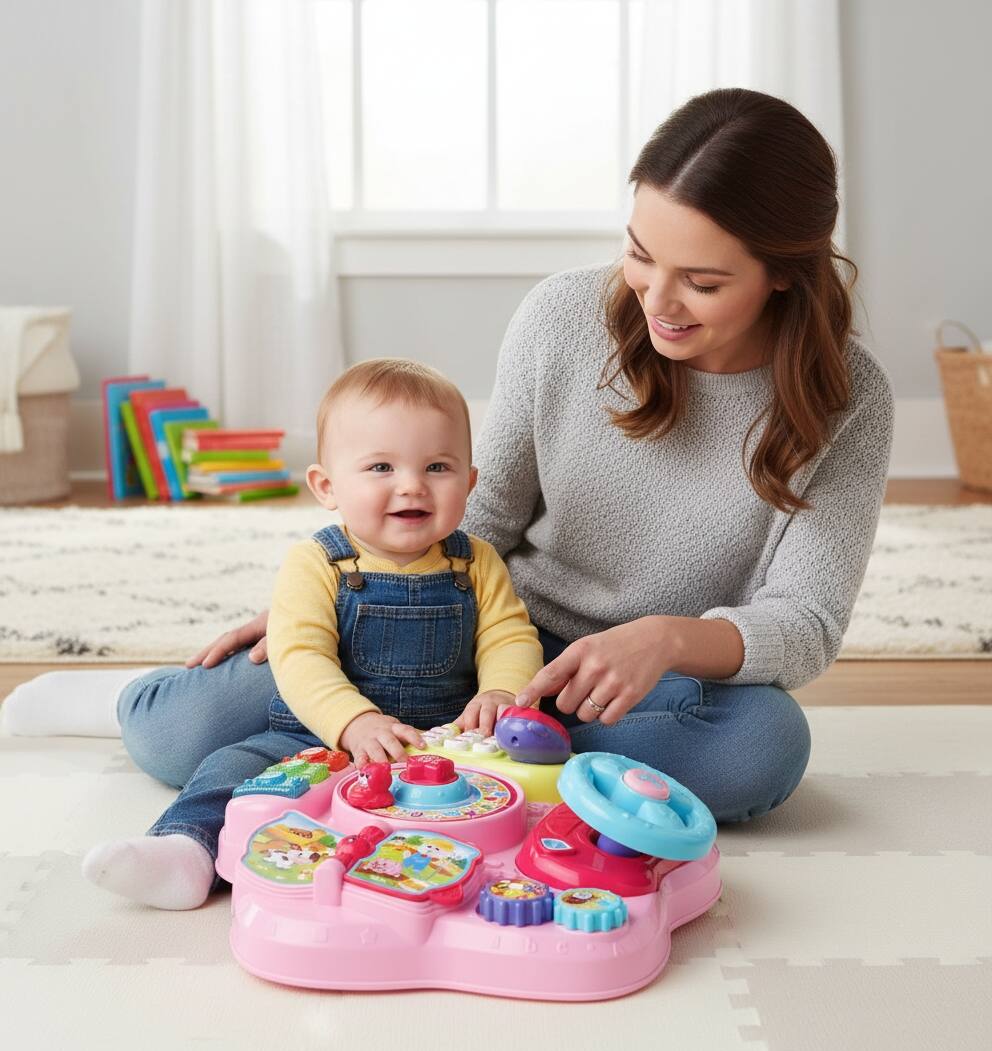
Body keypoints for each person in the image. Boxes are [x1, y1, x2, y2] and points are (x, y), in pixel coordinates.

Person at [4, 87, 893, 876]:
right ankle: (145, 699)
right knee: (176, 735)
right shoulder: (564, 317)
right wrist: (340, 601)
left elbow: (805, 623)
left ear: (785, 271)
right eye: (639, 254)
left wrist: (663, 640)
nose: (655, 299)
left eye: (700, 281)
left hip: (642, 684)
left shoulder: (850, 399)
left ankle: (472, 758)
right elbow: (483, 511)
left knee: (762, 748)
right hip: (479, 635)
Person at [76, 359, 544, 908]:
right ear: (326, 486)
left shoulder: (476, 562)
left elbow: (509, 636)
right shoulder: (318, 562)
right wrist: (352, 722)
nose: (412, 486)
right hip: (316, 737)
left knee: (523, 792)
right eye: (381, 467)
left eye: (437, 467)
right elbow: (299, 657)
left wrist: (502, 692)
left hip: (444, 743)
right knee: (234, 769)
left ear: (469, 482)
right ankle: (186, 850)